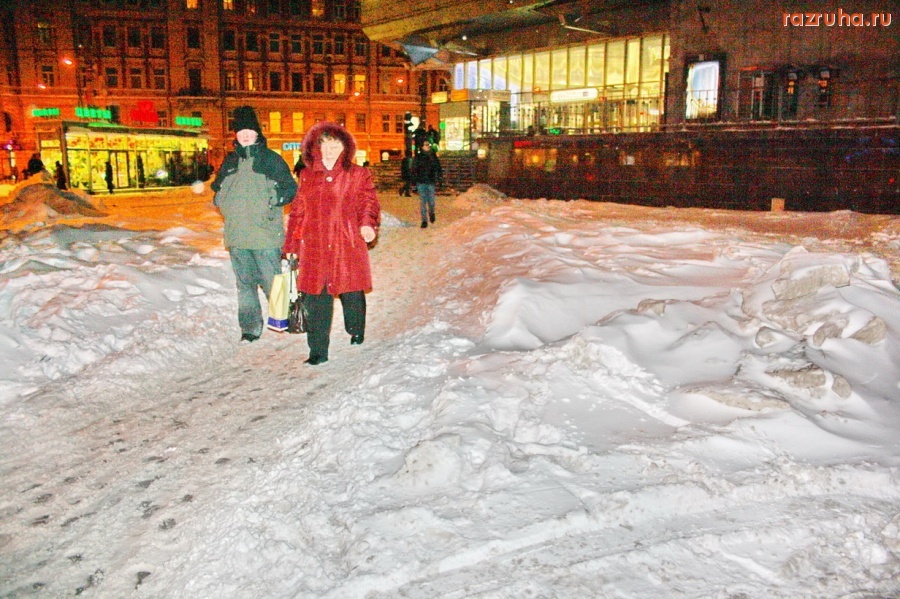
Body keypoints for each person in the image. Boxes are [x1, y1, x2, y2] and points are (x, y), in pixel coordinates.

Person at [283, 121, 380, 366]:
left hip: (346, 242)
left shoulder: (358, 174)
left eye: (335, 144)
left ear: (344, 147)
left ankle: (356, 329)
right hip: (314, 245)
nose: (329, 150)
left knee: (351, 291)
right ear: (315, 147)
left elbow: (367, 201)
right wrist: (291, 247)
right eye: (324, 144)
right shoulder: (306, 175)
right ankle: (318, 350)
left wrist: (367, 224)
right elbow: (298, 213)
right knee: (316, 296)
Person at [211, 105, 298, 343]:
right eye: (240, 132)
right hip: (237, 236)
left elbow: (290, 188)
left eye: (249, 130)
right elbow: (216, 190)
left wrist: (273, 200)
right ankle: (250, 328)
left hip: (265, 235)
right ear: (236, 136)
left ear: (257, 133)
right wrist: (221, 200)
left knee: (273, 281)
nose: (245, 135)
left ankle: (282, 319)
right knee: (245, 286)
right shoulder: (230, 161)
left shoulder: (271, 159)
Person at [410, 141, 442, 228]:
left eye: (429, 145)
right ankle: (424, 220)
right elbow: (413, 170)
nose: (428, 146)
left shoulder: (433, 156)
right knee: (423, 202)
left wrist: (439, 178)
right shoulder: (418, 157)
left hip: (431, 182)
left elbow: (438, 168)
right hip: (421, 182)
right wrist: (413, 183)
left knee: (431, 202)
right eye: (426, 145)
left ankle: (431, 213)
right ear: (422, 147)